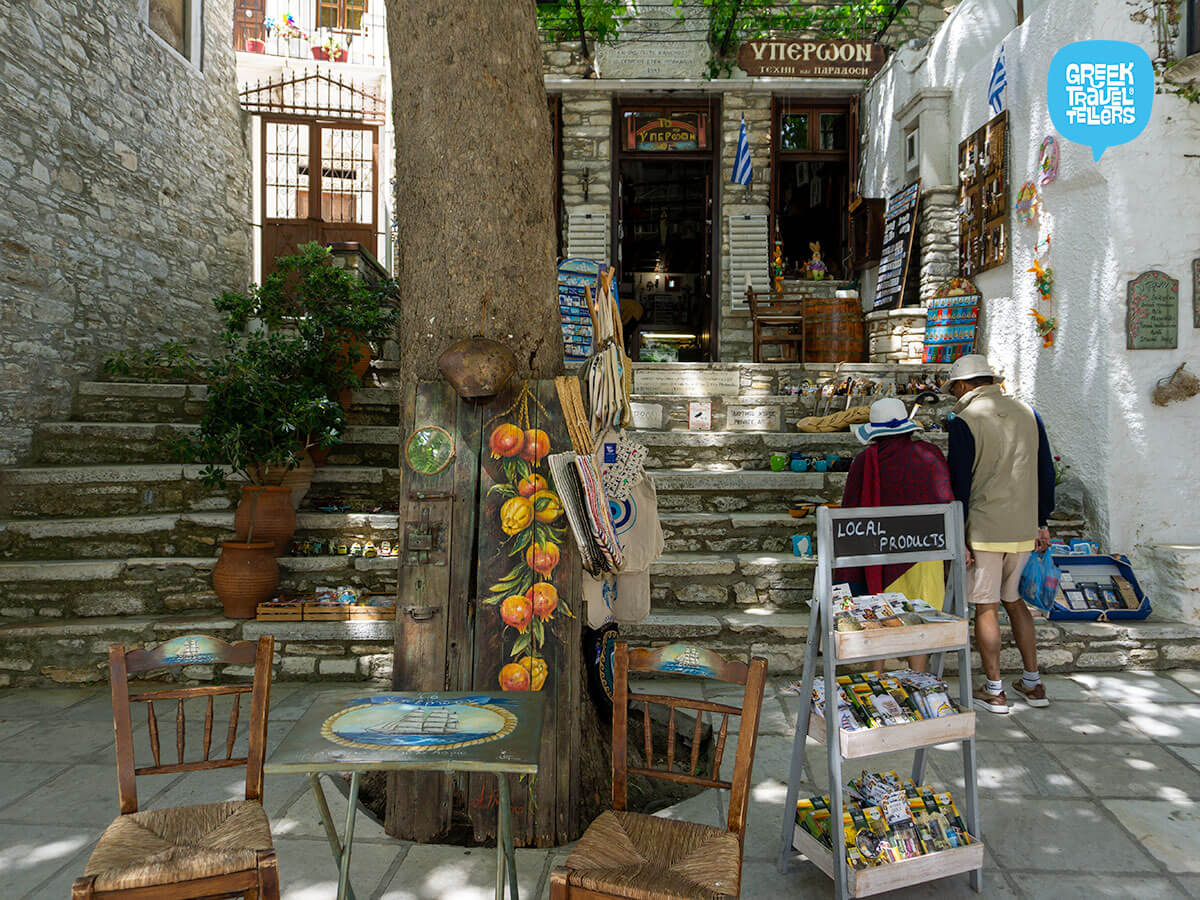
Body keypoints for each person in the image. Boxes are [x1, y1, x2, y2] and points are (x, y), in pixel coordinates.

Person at [942, 354, 1055, 714]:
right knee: (1014, 600)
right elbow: (1045, 470)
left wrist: (958, 534)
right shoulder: (1028, 412)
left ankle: (994, 690)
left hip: (985, 527)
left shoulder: (964, 420)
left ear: (962, 385)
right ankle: (1033, 683)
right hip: (1023, 526)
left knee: (986, 607)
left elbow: (958, 481)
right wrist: (1042, 521)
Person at [837, 397, 955, 672]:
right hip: (924, 552)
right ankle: (919, 679)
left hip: (881, 553)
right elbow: (945, 500)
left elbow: (850, 509)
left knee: (878, 615)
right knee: (919, 619)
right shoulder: (930, 454)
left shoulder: (866, 461)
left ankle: (875, 674)